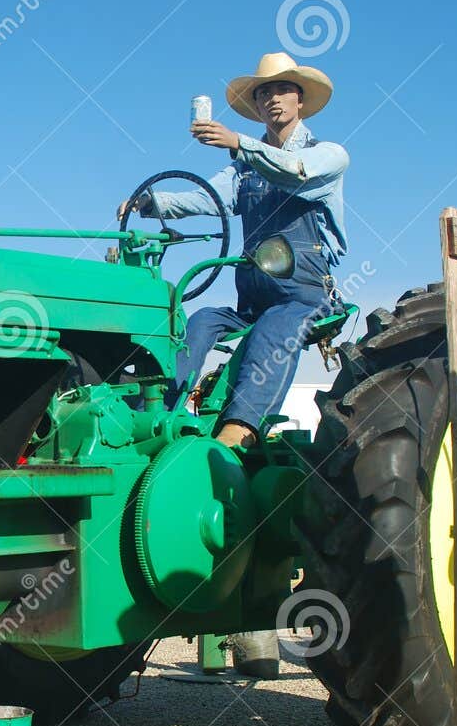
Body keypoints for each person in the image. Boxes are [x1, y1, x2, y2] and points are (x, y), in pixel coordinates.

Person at [121, 52, 349, 449]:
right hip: (253, 299)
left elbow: (293, 170)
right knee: (202, 319)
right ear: (257, 106)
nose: (273, 99)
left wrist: (238, 143)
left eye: (282, 90)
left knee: (277, 326)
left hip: (304, 297)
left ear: (300, 100)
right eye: (264, 93)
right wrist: (151, 202)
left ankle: (239, 429)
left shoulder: (327, 155)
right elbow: (206, 198)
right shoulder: (243, 171)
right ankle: (153, 416)